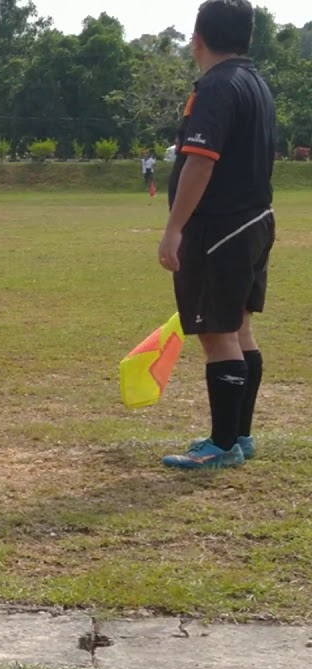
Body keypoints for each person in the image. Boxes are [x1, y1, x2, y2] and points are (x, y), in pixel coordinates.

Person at [157, 0, 276, 470]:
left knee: (217, 333)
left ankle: (222, 444)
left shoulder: (217, 87)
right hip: (254, 221)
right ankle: (238, 435)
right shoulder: (255, 82)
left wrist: (173, 229)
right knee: (240, 328)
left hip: (220, 226)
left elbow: (200, 162)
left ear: (197, 38)